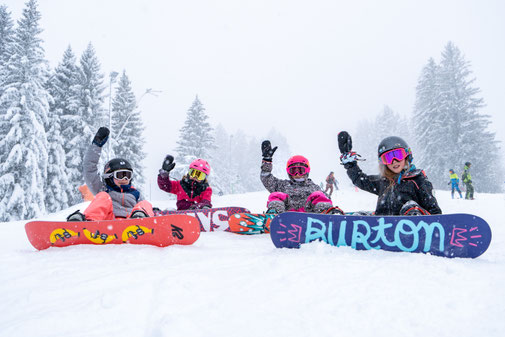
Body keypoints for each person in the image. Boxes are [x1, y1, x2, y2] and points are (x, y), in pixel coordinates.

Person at [338, 131, 441, 215]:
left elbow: (435, 212)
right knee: (359, 217)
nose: (394, 161)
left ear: (406, 155)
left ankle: (412, 218)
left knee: (410, 207)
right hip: (382, 229)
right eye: (388, 158)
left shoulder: (417, 180)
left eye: (398, 155)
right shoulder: (383, 180)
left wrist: (417, 212)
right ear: (383, 162)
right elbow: (360, 180)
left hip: (409, 229)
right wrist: (350, 165)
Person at [67, 127, 154, 221]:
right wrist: (96, 146)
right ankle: (89, 222)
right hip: (108, 222)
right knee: (103, 197)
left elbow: (146, 208)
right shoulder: (104, 189)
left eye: (128, 175)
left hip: (131, 223)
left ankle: (140, 221)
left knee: (145, 203)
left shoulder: (135, 194)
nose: (125, 178)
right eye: (120, 175)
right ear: (110, 177)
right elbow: (89, 170)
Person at [260, 140, 342, 214]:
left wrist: (325, 203)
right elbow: (267, 179)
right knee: (276, 195)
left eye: (301, 170)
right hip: (285, 215)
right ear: (289, 172)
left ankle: (326, 214)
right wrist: (267, 161)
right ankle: (274, 214)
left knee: (318, 195)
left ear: (307, 171)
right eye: (293, 171)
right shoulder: (283, 185)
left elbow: (326, 197)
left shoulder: (313, 187)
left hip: (310, 215)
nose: (297, 174)